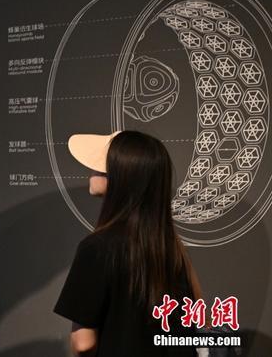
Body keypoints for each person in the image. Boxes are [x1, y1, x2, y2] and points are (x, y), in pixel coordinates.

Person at [54, 130, 202, 356]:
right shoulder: (170, 243)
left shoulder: (96, 247)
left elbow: (84, 344)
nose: (92, 170)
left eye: (101, 165)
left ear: (120, 174)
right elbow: (198, 313)